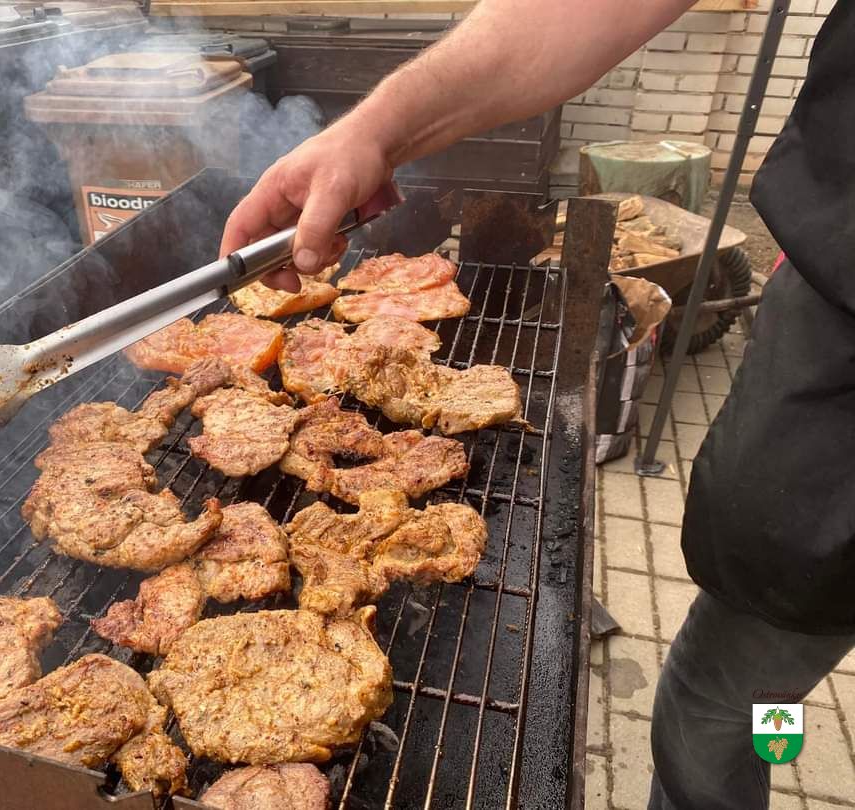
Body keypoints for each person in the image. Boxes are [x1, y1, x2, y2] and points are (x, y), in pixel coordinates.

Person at [220, 2, 855, 808]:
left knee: (725, 707)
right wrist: (376, 130)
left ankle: (767, 740)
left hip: (830, 395)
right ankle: (773, 738)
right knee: (741, 687)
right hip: (827, 341)